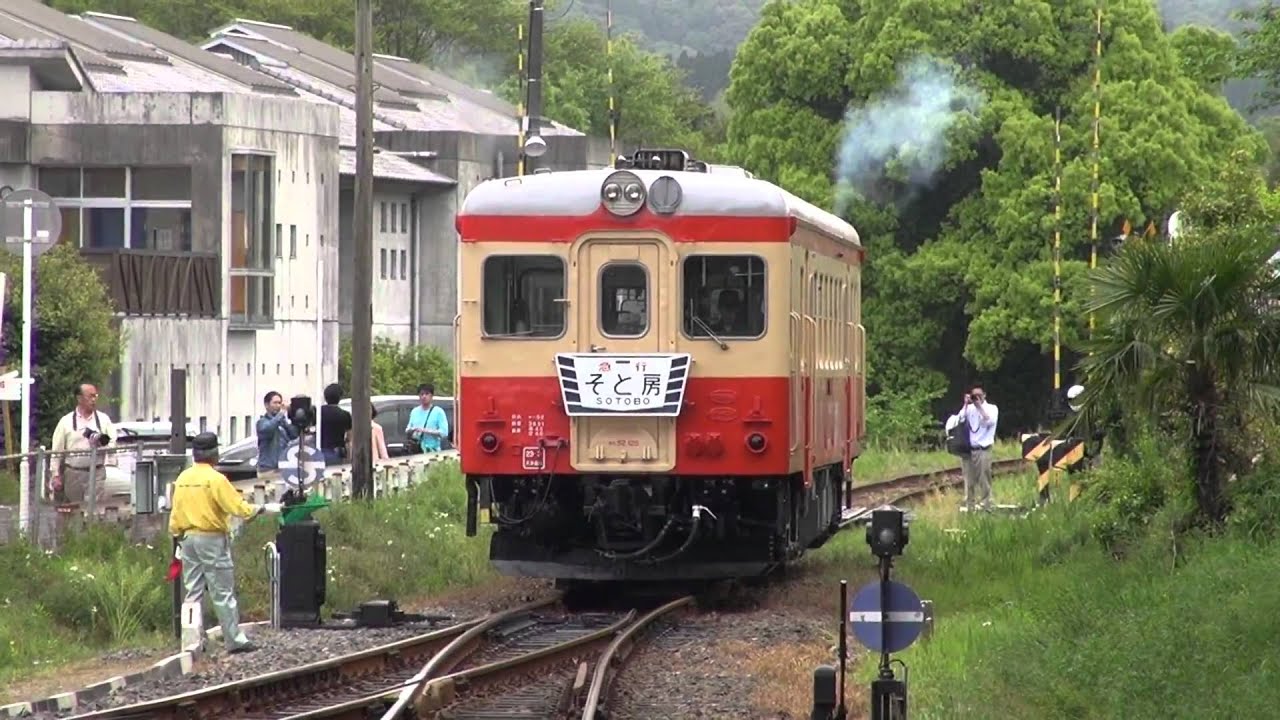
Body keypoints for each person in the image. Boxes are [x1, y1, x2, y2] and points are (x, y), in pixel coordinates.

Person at [168, 432, 280, 654]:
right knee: (222, 592)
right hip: (211, 539)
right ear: (214, 453)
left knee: (193, 591)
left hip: (187, 539)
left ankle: (191, 642)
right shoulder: (216, 479)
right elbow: (237, 507)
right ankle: (234, 640)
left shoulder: (183, 478)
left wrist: (177, 534)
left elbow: (176, 512)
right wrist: (259, 509)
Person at [49, 383, 117, 507]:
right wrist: (55, 475)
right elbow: (56, 451)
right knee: (74, 508)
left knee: (95, 508)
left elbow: (113, 443)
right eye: (90, 396)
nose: (94, 400)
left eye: (95, 396)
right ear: (79, 398)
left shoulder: (104, 420)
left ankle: (92, 526)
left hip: (97, 471)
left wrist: (101, 445)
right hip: (74, 472)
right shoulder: (66, 422)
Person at [947, 385, 999, 513]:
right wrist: (965, 404)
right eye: (974, 395)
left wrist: (979, 406)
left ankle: (986, 505)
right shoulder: (969, 409)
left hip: (983, 449)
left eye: (979, 395)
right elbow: (959, 419)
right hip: (968, 450)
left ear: (984, 395)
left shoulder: (991, 408)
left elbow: (989, 422)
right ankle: (970, 506)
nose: (977, 397)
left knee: (984, 479)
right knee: (969, 480)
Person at [256, 391, 298, 490]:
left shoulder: (282, 422)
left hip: (282, 468)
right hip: (268, 469)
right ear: (266, 405)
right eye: (275, 403)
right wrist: (281, 414)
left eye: (280, 403)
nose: (278, 406)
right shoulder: (262, 422)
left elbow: (294, 434)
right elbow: (268, 429)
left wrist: (289, 418)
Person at [406, 383, 449, 454]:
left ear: (431, 396)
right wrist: (412, 430)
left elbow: (444, 432)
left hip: (432, 451)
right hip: (417, 449)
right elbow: (408, 428)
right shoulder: (414, 411)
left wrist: (425, 431)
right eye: (421, 394)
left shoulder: (438, 412)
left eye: (426, 394)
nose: (424, 396)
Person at [319, 383, 352, 465]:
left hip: (319, 450)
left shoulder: (318, 413)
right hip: (337, 451)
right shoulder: (345, 415)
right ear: (339, 397)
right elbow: (349, 437)